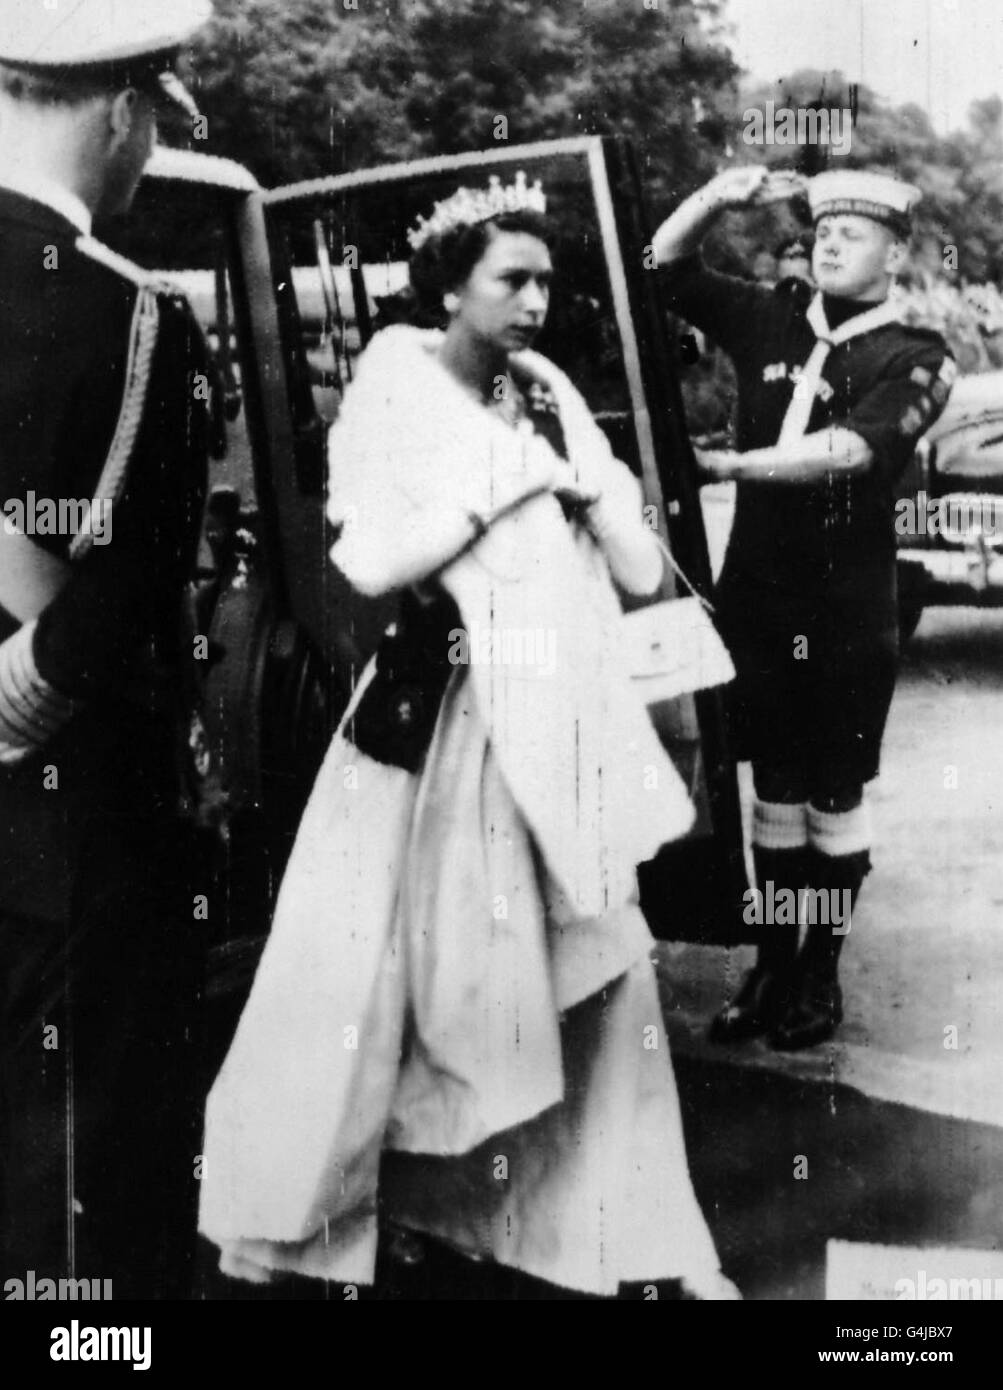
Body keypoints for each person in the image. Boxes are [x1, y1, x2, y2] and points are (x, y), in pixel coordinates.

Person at [198, 174, 739, 1299]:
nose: (536, 301)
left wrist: (593, 488)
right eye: (512, 278)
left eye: (547, 279)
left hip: (558, 730)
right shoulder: (392, 393)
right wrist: (498, 490)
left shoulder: (544, 393)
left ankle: (626, 1234)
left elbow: (641, 569)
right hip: (433, 734)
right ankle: (331, 1216)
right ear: (449, 286)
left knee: (597, 983)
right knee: (377, 985)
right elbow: (362, 565)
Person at [0, 1, 214, 1298]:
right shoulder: (135, 318)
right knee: (84, 1163)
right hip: (68, 825)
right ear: (127, 110)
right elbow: (128, 583)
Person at [652, 167, 956, 1051]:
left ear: (894, 254)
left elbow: (851, 452)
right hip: (756, 600)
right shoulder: (773, 315)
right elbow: (661, 267)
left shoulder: (916, 352)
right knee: (772, 788)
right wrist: (716, 194)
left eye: (852, 234)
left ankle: (818, 971)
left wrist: (732, 466)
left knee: (832, 791)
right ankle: (772, 963)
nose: (828, 243)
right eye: (822, 229)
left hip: (847, 615)